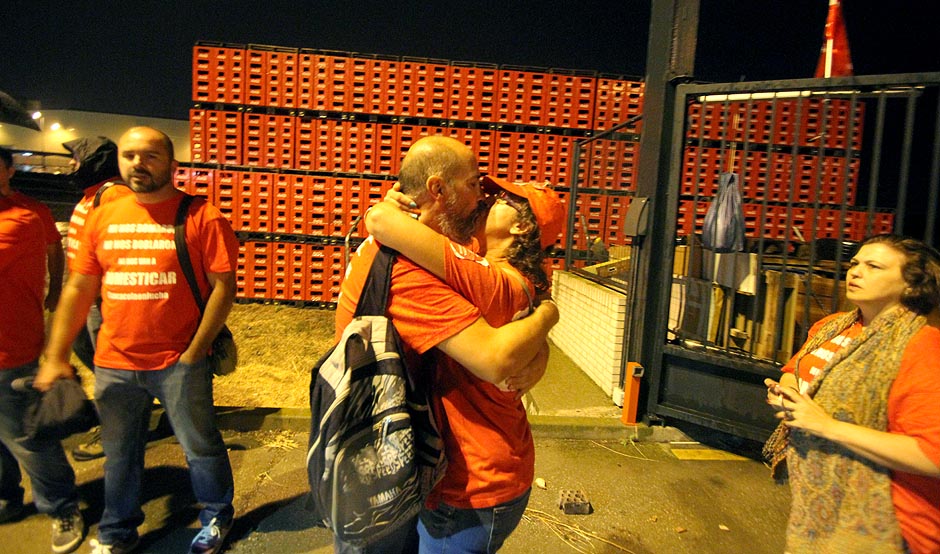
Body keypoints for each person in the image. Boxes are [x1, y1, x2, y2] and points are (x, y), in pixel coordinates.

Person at [335, 135, 559, 554]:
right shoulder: (418, 265)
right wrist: (547, 317)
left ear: (521, 227)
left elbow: (498, 354)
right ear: (439, 189)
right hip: (399, 465)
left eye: (489, 194)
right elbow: (502, 354)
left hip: (469, 478)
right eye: (477, 186)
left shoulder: (479, 272)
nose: (483, 197)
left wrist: (545, 321)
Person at [36, 127, 239, 554]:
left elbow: (224, 286)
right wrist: (55, 354)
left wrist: (196, 350)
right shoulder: (101, 216)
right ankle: (117, 532)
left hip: (178, 361)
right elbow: (78, 288)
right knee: (120, 454)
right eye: (129, 155)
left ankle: (216, 514)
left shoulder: (202, 216)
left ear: (172, 164)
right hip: (114, 362)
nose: (137, 164)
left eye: (149, 156)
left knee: (200, 447)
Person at [763, 234, 940, 553]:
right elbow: (794, 372)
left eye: (873, 266)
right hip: (820, 510)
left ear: (912, 285)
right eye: (855, 263)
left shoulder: (922, 347)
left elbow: (933, 455)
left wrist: (826, 426)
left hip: (892, 523)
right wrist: (787, 394)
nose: (855, 271)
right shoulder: (832, 327)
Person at [0, 146, 84, 553]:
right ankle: (6, 497)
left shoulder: (23, 216)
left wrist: (52, 293)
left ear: (10, 170)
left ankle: (63, 505)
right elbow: (54, 248)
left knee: (27, 436)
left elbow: (54, 247)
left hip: (11, 349)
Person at [62, 136, 130, 462]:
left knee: (108, 370)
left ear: (93, 162)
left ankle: (117, 430)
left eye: (75, 160)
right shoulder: (92, 196)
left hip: (100, 299)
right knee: (84, 351)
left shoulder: (112, 195)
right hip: (84, 296)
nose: (70, 166)